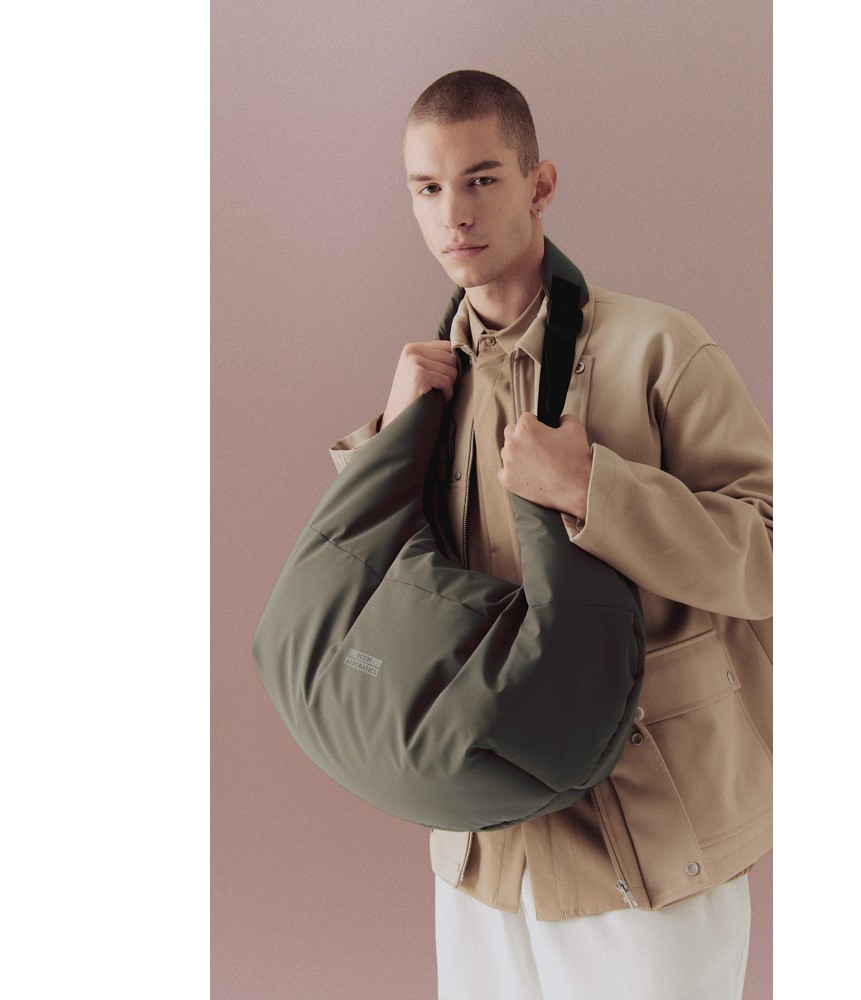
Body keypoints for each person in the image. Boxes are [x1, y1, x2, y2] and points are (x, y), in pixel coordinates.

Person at [329, 70, 772, 1000]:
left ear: (540, 185)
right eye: (427, 188)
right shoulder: (428, 389)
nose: (454, 214)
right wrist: (387, 443)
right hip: (486, 848)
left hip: (649, 841)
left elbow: (776, 553)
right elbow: (385, 595)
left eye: (482, 179)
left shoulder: (659, 350)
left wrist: (593, 488)